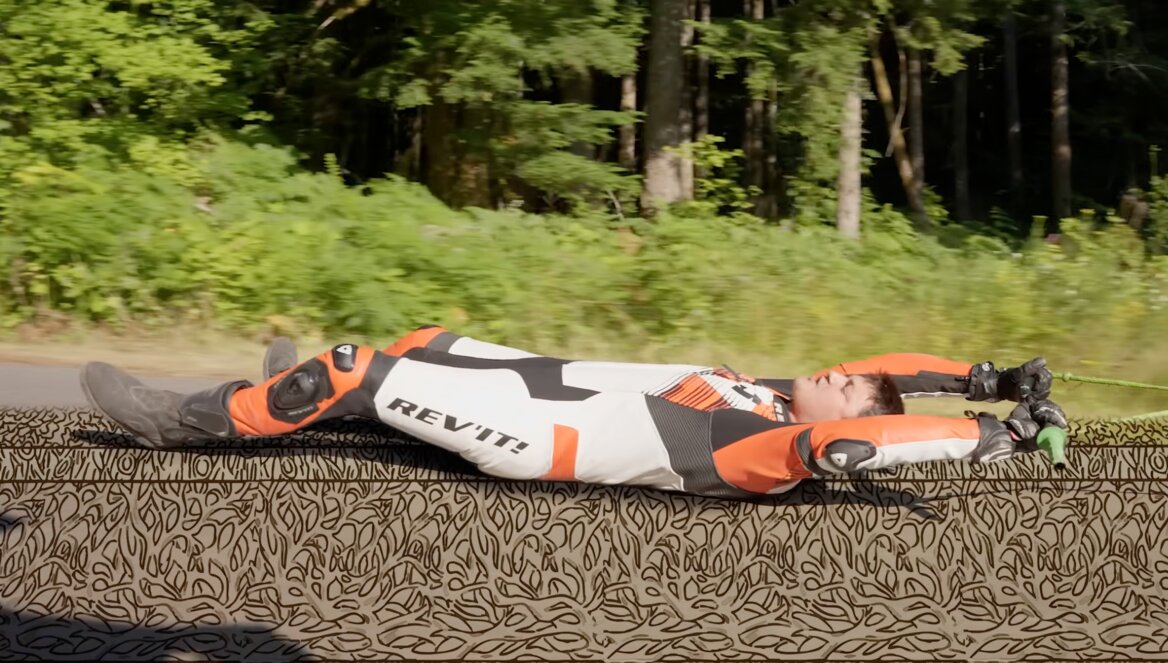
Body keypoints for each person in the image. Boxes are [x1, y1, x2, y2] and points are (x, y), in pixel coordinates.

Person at [80, 325, 1067, 498]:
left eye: (847, 384)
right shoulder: (771, 389)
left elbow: (860, 438)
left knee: (351, 369)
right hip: (538, 381)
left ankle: (188, 420)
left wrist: (994, 435)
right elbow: (884, 372)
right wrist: (983, 376)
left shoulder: (784, 442)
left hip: (540, 437)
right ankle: (295, 401)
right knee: (420, 340)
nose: (842, 374)